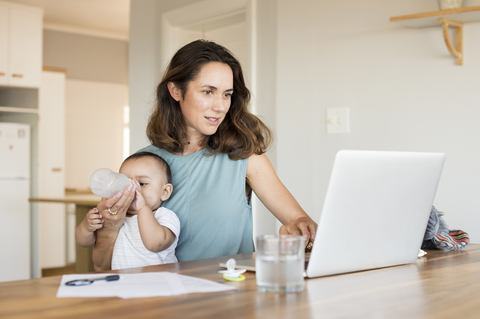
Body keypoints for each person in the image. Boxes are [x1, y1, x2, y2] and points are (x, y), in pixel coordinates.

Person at [92, 39, 317, 271]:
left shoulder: (244, 156)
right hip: (161, 299)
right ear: (176, 91)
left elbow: (299, 221)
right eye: (208, 92)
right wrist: (108, 229)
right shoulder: (141, 166)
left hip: (229, 295)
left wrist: (300, 229)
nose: (220, 106)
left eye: (227, 94)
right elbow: (102, 266)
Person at [76, 152, 180, 270]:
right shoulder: (116, 217)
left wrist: (142, 207)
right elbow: (82, 242)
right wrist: (87, 226)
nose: (131, 189)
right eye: (125, 183)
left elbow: (155, 244)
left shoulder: (164, 216)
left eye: (142, 183)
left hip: (158, 282)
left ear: (165, 191)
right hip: (123, 283)